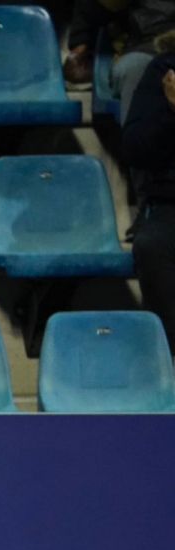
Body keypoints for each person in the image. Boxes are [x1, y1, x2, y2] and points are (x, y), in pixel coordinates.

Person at [124, 32, 175, 354]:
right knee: (152, 246)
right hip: (171, 205)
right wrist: (171, 112)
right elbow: (136, 149)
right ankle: (169, 359)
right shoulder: (165, 70)